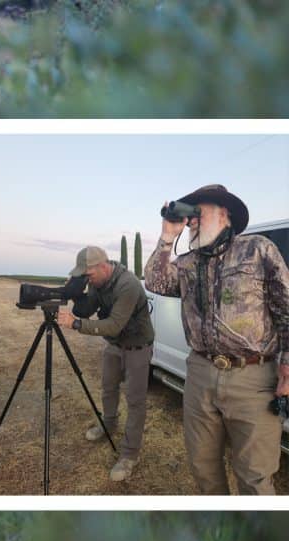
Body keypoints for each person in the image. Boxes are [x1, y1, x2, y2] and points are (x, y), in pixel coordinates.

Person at [144, 184, 289, 495]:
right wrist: (168, 236)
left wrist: (287, 368)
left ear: (225, 215)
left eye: (200, 211)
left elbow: (287, 311)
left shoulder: (257, 250)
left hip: (253, 378)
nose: (193, 218)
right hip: (200, 374)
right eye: (190, 212)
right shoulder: (187, 262)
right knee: (203, 467)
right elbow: (155, 281)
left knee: (254, 477)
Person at [58, 246, 154, 482]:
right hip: (114, 345)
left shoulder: (128, 285)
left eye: (88, 275)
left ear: (103, 266)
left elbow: (113, 325)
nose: (87, 279)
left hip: (137, 347)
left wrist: (77, 324)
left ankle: (130, 455)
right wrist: (76, 291)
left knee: (135, 400)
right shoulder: (97, 282)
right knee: (108, 388)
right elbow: (86, 309)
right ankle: (109, 425)